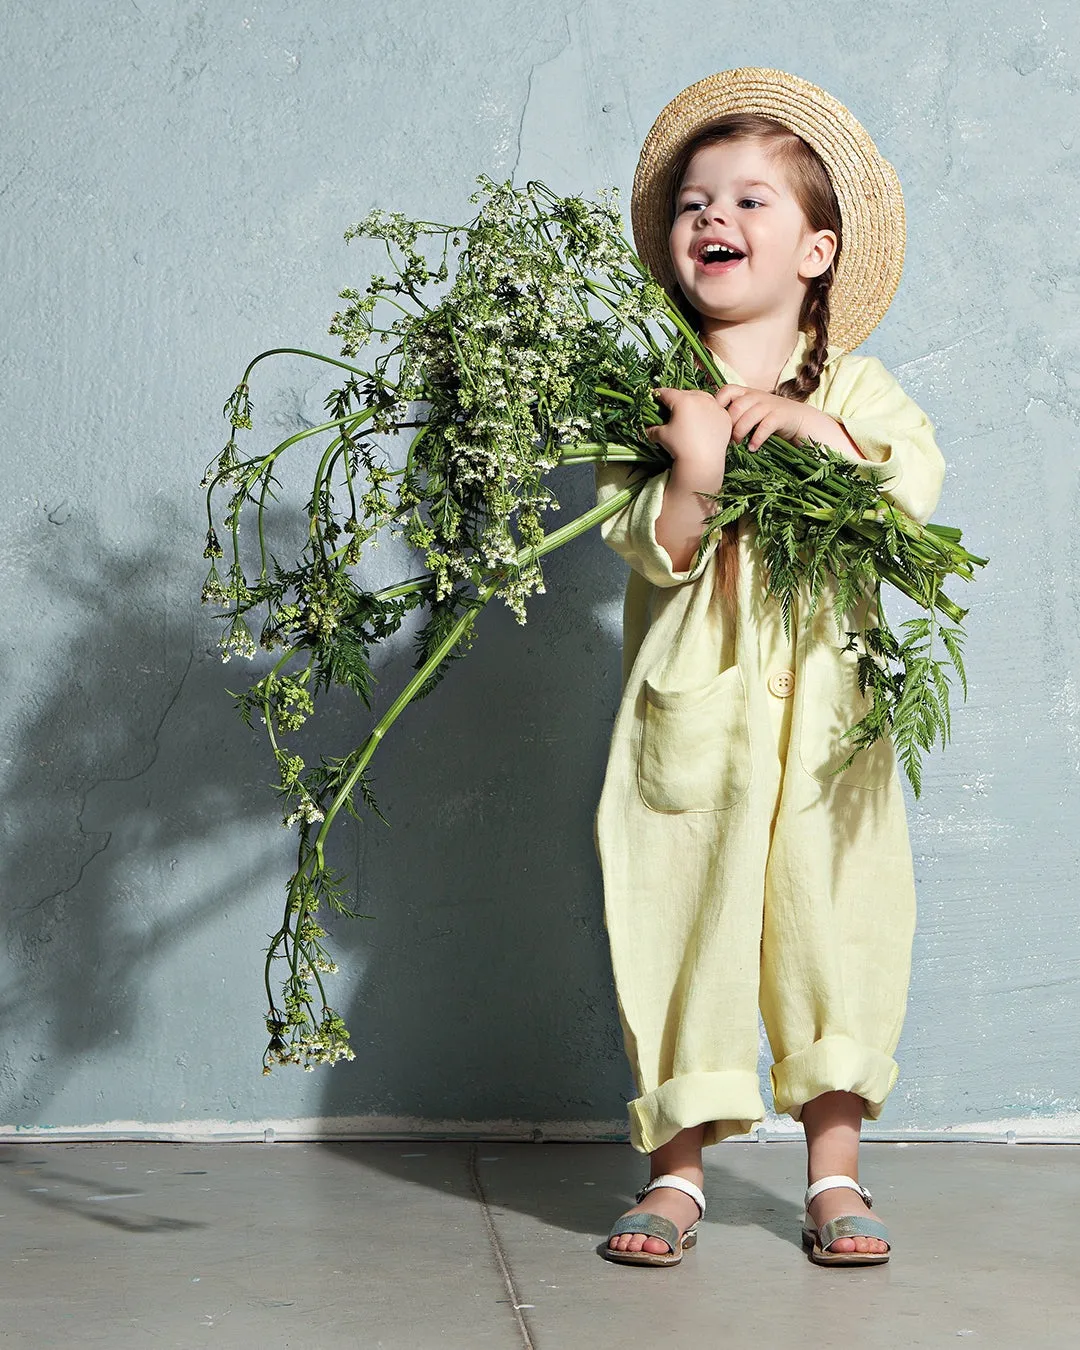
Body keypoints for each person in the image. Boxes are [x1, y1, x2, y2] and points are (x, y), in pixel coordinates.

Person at [593, 68, 946, 1268]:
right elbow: (647, 545)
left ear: (816, 251)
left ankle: (835, 1176)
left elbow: (911, 512)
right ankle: (678, 1175)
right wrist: (692, 468)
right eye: (695, 202)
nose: (713, 219)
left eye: (750, 200)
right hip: (696, 714)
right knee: (682, 915)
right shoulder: (643, 397)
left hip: (830, 715)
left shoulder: (854, 389)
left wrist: (820, 436)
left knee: (833, 920)